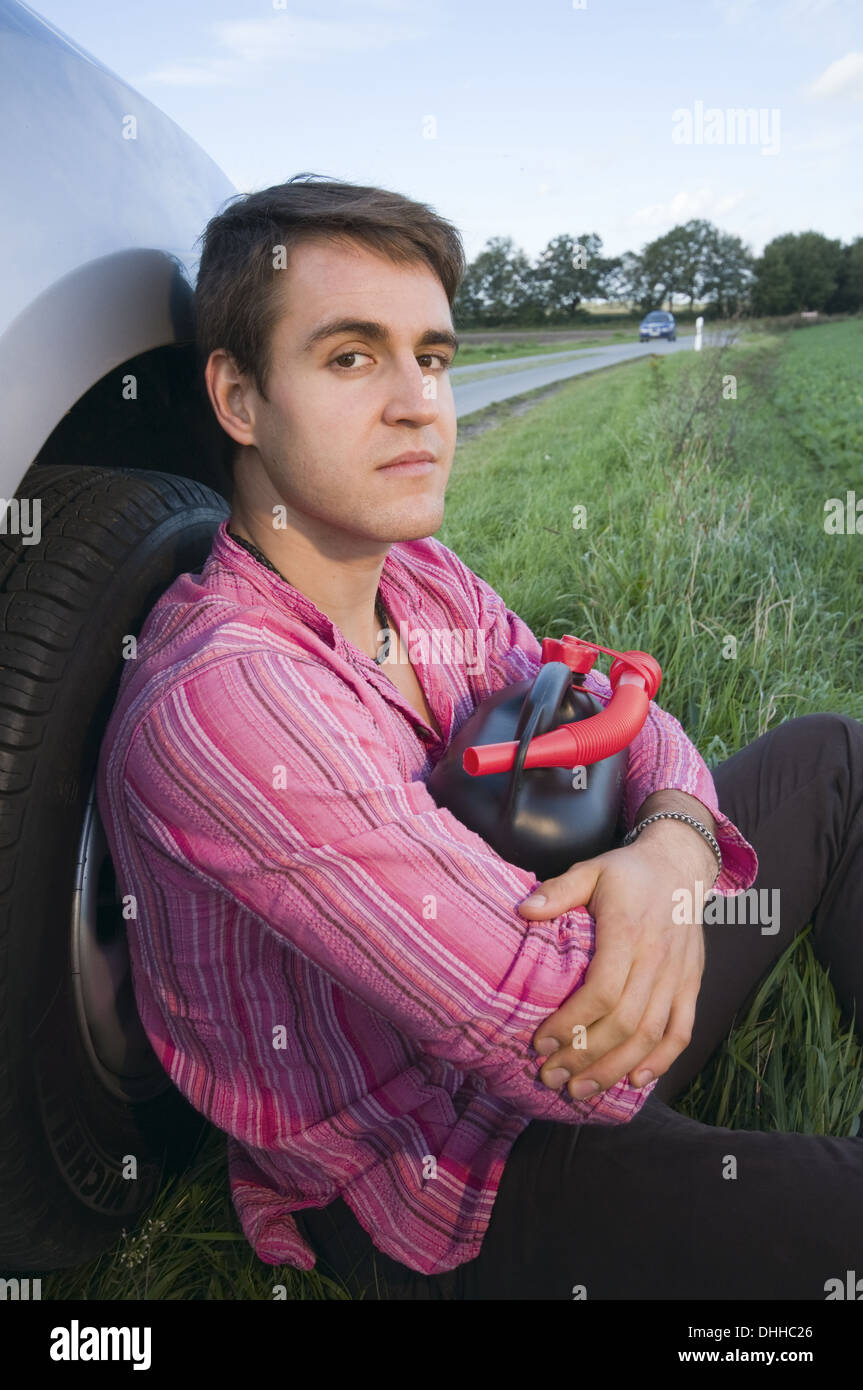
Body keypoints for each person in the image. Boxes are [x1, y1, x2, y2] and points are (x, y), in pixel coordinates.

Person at [96, 175, 863, 1301]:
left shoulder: (419, 573)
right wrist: (656, 890)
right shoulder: (228, 701)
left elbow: (616, 718)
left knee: (829, 755)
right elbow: (575, 1061)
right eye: (351, 357)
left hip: (546, 1019)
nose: (418, 403)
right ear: (240, 398)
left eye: (435, 357)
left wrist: (673, 850)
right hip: (431, 1180)